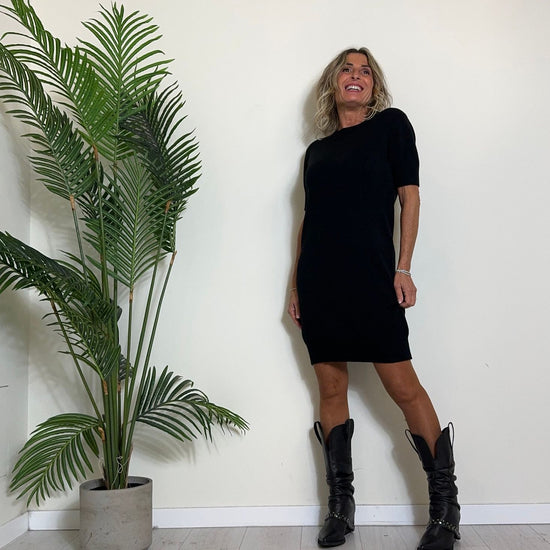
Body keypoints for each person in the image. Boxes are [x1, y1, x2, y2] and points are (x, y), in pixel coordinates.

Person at [287, 47, 460, 550]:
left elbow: (410, 197)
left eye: (365, 71)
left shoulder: (391, 127)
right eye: (347, 69)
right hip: (321, 281)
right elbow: (309, 221)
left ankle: (445, 508)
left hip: (373, 278)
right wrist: (295, 284)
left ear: (374, 87)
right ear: (333, 83)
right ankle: (340, 507)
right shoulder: (316, 152)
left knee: (403, 387)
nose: (355, 76)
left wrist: (403, 268)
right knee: (330, 388)